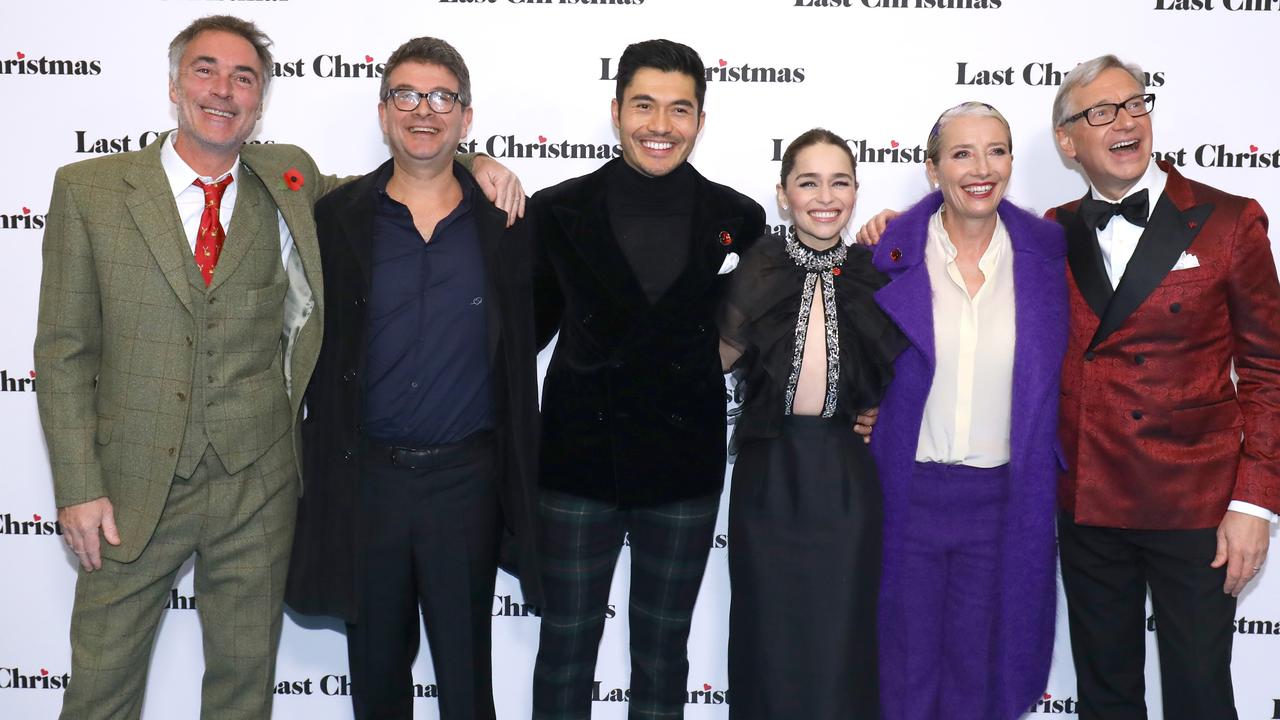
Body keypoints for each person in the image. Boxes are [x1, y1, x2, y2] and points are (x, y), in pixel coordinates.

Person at [34, 15, 522, 719]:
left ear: (260, 102)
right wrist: (78, 488)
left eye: (244, 78)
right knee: (101, 688)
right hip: (129, 490)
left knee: (243, 691)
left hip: (255, 490)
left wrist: (478, 162)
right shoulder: (91, 190)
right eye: (206, 70)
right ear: (175, 83)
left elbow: (408, 173)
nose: (224, 91)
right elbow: (63, 349)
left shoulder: (287, 179)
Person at [281, 37, 541, 720]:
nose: (423, 111)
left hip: (467, 484)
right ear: (382, 111)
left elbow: (530, 334)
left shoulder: (508, 221)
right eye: (406, 95)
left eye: (441, 98)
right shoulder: (338, 218)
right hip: (367, 483)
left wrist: (486, 167)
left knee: (466, 682)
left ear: (465, 115)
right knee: (375, 680)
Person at [528, 38, 765, 719]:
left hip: (683, 467)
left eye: (679, 108)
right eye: (644, 105)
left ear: (699, 118)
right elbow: (523, 334)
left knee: (664, 654)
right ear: (616, 110)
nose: (660, 125)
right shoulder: (557, 210)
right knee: (566, 647)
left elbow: (757, 338)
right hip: (576, 465)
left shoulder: (738, 218)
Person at [1048, 55, 1280, 720]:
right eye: (1102, 112)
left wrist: (1255, 505)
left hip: (1198, 505)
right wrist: (885, 240)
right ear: (1068, 141)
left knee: (1201, 698)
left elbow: (1269, 372)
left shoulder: (1230, 221)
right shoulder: (1050, 230)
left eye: (1134, 104)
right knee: (1106, 697)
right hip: (1088, 500)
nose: (1126, 121)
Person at [869, 102, 1067, 720]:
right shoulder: (887, 252)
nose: (982, 168)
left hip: (1005, 501)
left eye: (997, 150)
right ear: (933, 170)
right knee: (901, 670)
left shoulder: (1049, 250)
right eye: (961, 153)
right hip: (907, 495)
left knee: (983, 677)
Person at [717, 129, 902, 719]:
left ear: (855, 191)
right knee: (766, 639)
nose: (825, 196)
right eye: (808, 182)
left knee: (842, 640)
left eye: (840, 181)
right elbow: (704, 367)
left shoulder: (878, 273)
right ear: (783, 194)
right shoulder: (755, 269)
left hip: (846, 481)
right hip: (767, 479)